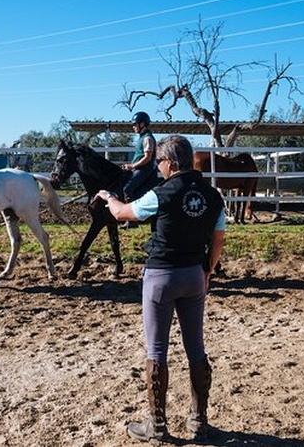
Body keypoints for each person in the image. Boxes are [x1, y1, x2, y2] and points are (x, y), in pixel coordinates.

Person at [96, 134, 226, 442]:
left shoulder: (160, 193)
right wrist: (207, 269)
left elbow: (122, 213)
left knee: (156, 351)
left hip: (161, 277)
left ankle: (155, 426)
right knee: (196, 347)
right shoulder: (213, 195)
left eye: (159, 163)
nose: (158, 168)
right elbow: (218, 240)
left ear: (169, 162)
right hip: (194, 275)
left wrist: (108, 197)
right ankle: (199, 420)